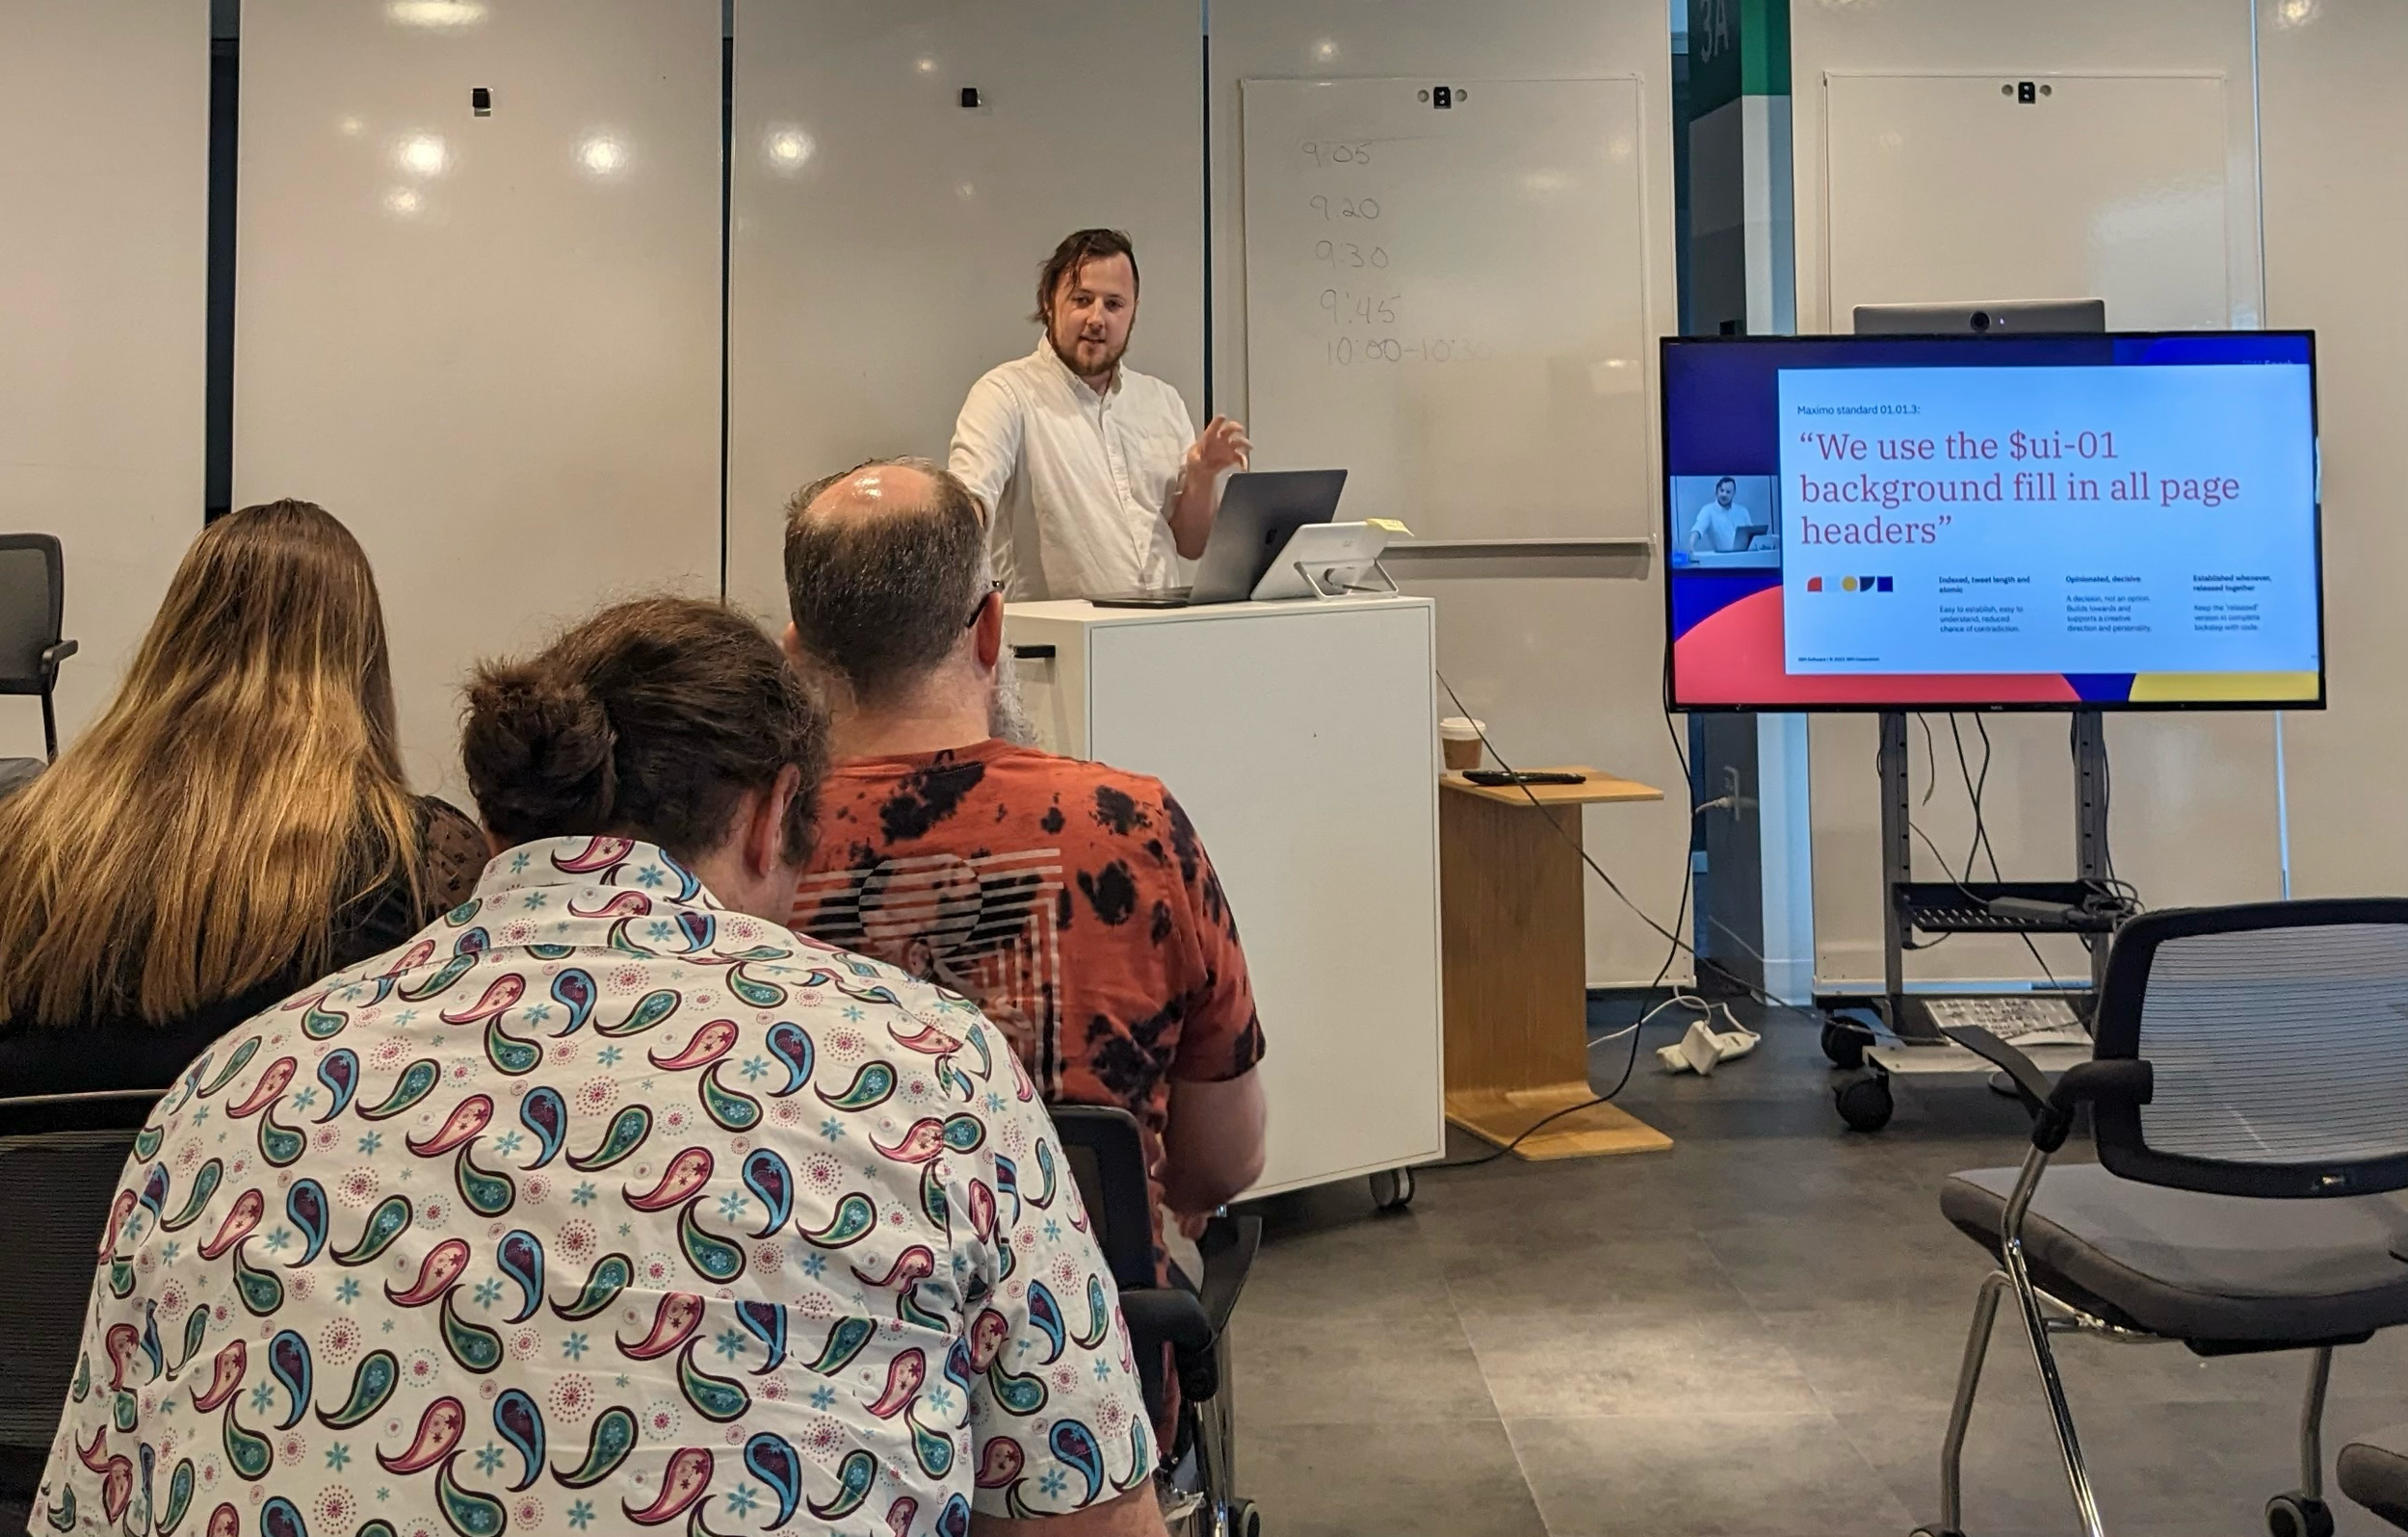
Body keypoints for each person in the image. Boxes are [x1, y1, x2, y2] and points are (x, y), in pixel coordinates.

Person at [36, 595, 1167, 1537]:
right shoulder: (930, 1070)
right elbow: (1091, 1521)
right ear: (773, 815)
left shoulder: (226, 1094)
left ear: (497, 830)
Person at [781, 459, 1268, 1285]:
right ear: (989, 628)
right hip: (1092, 1360)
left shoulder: (750, 852)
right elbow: (1225, 1160)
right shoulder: (1133, 829)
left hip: (820, 1368)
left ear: (794, 653)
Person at [0, 500, 483, 1135]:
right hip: (269, 1222)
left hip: (40, 1224)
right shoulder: (416, 854)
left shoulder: (24, 830)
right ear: (359, 656)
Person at [951, 228, 1252, 600]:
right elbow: (968, 501)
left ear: (1133, 312)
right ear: (1049, 302)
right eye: (1082, 299)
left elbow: (1192, 545)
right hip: (1055, 650)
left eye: (1114, 304)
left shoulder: (1162, 401)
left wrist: (1202, 475)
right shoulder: (1005, 394)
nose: (1097, 318)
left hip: (1160, 638)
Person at [1688, 475, 1762, 554]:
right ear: (1716, 492)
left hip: (1745, 557)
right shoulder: (1708, 510)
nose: (1724, 495)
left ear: (1734, 494)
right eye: (1722, 490)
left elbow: (1752, 534)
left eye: (1728, 492)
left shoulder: (1742, 511)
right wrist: (1691, 545)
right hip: (1722, 559)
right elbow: (1698, 529)